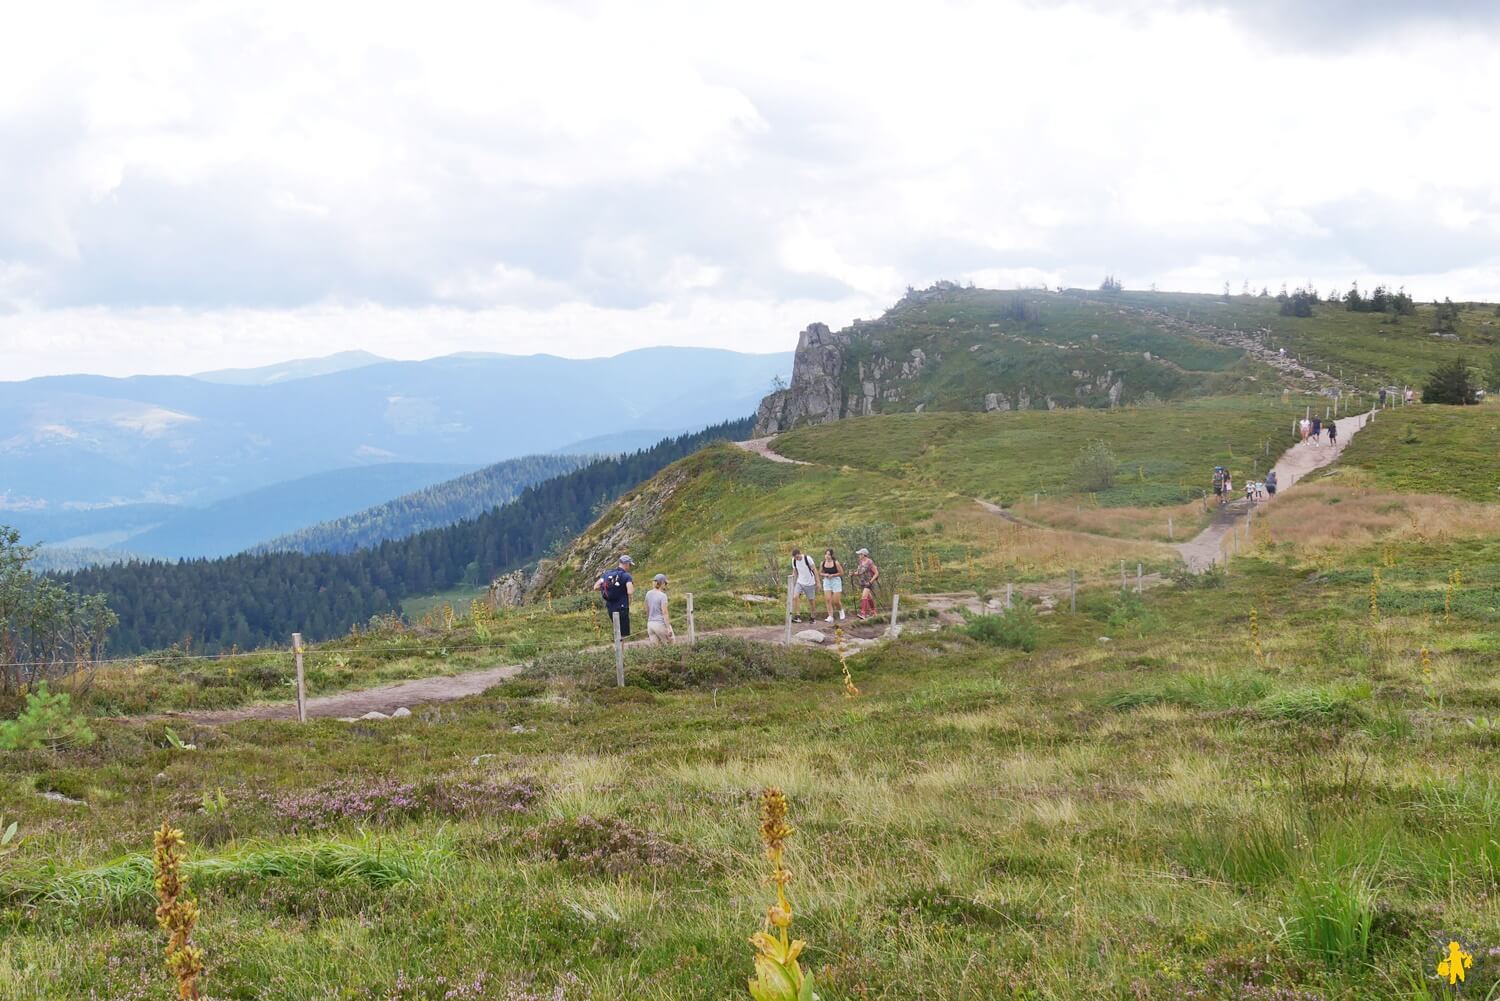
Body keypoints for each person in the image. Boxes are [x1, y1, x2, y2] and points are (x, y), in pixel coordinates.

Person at [593, 555, 635, 637]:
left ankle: (617, 648)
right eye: (630, 565)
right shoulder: (626, 576)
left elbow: (596, 587)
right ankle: (621, 649)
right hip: (622, 607)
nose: (629, 567)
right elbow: (630, 591)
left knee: (617, 630)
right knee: (623, 634)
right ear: (626, 564)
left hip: (610, 607)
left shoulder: (607, 574)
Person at [790, 548, 819, 623]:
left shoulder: (807, 558)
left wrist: (818, 582)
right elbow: (795, 571)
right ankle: (798, 616)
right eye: (795, 558)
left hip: (810, 582)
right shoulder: (794, 560)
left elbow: (814, 570)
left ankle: (813, 617)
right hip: (800, 581)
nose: (797, 559)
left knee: (811, 601)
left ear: (800, 554)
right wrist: (792, 582)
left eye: (798, 557)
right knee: (795, 597)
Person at [644, 573, 675, 645]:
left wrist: (649, 620)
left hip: (650, 624)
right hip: (660, 624)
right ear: (662, 583)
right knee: (671, 644)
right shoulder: (663, 596)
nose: (666, 585)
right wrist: (668, 628)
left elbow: (646, 609)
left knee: (656, 649)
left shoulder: (648, 593)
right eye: (665, 583)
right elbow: (664, 612)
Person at [819, 548, 846, 622]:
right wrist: (825, 574)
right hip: (827, 581)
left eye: (829, 554)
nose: (827, 556)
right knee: (828, 599)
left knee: (836, 601)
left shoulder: (836, 563)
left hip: (836, 580)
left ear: (831, 555)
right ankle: (830, 616)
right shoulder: (823, 563)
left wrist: (833, 575)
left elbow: (842, 573)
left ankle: (840, 610)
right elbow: (820, 572)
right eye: (826, 554)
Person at [855, 548, 880, 620]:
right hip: (863, 582)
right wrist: (853, 573)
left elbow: (876, 573)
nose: (859, 555)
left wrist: (871, 582)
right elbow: (859, 572)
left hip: (869, 582)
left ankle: (863, 614)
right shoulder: (860, 562)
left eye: (860, 554)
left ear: (863, 555)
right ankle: (873, 611)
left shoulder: (869, 562)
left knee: (864, 596)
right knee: (869, 597)